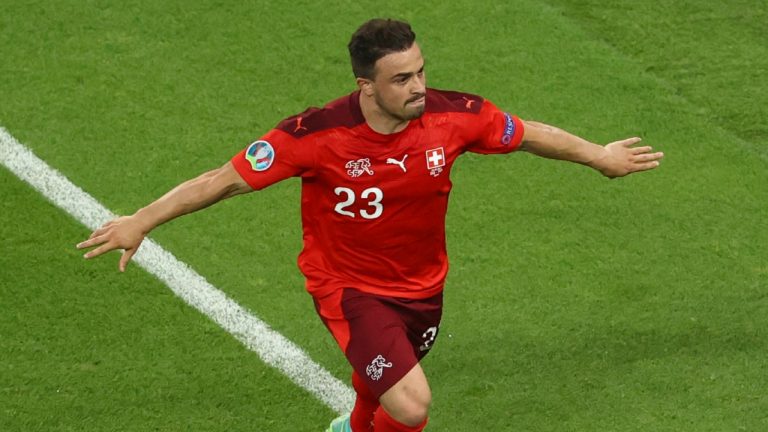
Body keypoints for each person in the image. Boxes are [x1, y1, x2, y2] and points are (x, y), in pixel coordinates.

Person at [76, 18, 664, 432]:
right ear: (367, 86)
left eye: (420, 72)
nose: (419, 88)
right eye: (401, 80)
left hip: (423, 286)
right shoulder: (314, 135)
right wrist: (142, 221)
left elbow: (528, 132)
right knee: (410, 406)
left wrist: (599, 155)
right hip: (349, 287)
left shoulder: (453, 117)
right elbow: (222, 179)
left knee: (379, 383)